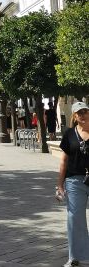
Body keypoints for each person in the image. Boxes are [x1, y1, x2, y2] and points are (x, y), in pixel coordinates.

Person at [56, 101, 89, 267]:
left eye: (85, 111)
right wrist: (60, 185)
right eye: (79, 113)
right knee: (75, 218)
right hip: (74, 180)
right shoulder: (69, 134)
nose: (83, 115)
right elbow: (63, 161)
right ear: (75, 116)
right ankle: (76, 257)